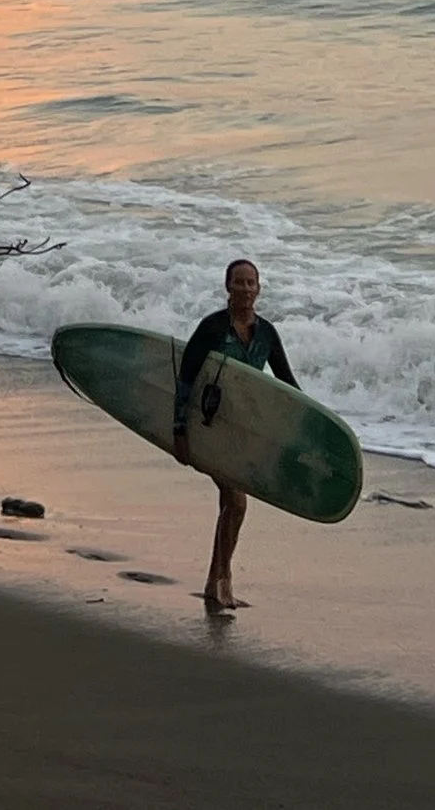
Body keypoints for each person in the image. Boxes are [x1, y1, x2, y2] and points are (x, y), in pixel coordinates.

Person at [173, 256, 296, 610]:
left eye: (251, 283)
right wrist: (180, 429)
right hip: (208, 425)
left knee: (230, 504)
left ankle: (215, 581)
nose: (245, 288)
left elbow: (286, 383)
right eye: (238, 282)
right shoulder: (212, 328)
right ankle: (223, 580)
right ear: (227, 286)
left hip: (242, 432)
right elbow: (185, 378)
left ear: (259, 289)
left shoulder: (267, 334)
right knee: (237, 502)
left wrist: (309, 424)